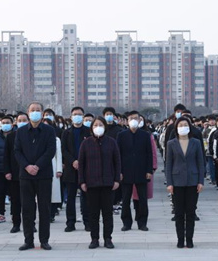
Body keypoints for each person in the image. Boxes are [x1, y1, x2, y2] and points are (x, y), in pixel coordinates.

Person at [14, 102, 57, 251]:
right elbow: (17, 151)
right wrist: (27, 166)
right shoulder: (20, 131)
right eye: (32, 110)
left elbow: (50, 150)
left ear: (42, 113)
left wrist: (38, 166)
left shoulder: (49, 130)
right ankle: (28, 240)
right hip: (25, 175)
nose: (35, 112)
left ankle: (44, 240)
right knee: (27, 208)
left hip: (43, 174)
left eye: (38, 110)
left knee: (44, 208)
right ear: (28, 112)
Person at [78, 117, 121, 249]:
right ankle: (94, 238)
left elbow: (117, 162)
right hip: (91, 183)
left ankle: (108, 238)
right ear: (91, 128)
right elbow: (81, 164)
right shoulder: (86, 143)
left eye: (100, 125)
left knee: (107, 213)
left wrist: (116, 179)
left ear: (105, 127)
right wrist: (82, 181)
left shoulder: (111, 142)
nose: (98, 127)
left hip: (108, 183)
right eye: (95, 125)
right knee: (93, 213)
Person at [166, 116, 205, 248]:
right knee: (179, 212)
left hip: (193, 181)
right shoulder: (171, 143)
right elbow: (168, 164)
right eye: (180, 125)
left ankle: (189, 238)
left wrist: (201, 181)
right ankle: (180, 238)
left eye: (185, 125)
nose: (183, 127)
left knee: (190, 212)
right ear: (176, 128)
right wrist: (169, 183)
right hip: (177, 181)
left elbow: (200, 162)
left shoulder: (196, 142)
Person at [117, 110, 153, 231]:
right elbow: (118, 155)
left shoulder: (145, 135)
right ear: (127, 121)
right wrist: (119, 171)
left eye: (136, 118)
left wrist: (149, 170)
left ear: (139, 120)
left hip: (141, 170)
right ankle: (126, 223)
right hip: (126, 171)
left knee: (142, 199)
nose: (133, 120)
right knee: (126, 199)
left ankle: (142, 222)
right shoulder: (121, 135)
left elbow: (149, 154)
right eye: (131, 118)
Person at [61, 106, 91, 232]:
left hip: (86, 169)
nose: (77, 116)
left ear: (83, 117)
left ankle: (87, 222)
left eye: (79, 114)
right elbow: (64, 150)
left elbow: (91, 149)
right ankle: (70, 222)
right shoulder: (66, 133)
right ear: (71, 117)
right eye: (75, 114)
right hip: (70, 168)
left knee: (86, 197)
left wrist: (81, 161)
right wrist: (73, 161)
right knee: (70, 198)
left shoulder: (88, 132)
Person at [4, 113, 28, 233]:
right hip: (14, 173)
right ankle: (16, 223)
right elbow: (6, 155)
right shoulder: (10, 136)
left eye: (24, 120)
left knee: (28, 201)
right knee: (15, 201)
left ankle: (30, 223)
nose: (22, 122)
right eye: (20, 120)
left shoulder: (32, 135)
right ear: (16, 122)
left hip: (29, 173)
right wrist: (7, 171)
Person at [0, 115, 13, 224]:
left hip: (13, 170)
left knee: (14, 194)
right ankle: (1, 214)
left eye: (8, 122)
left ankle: (15, 214)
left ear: (12, 124)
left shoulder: (16, 136)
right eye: (3, 122)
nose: (5, 125)